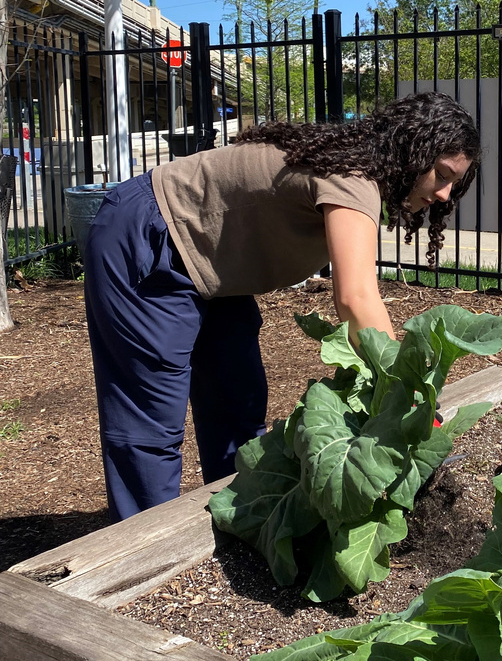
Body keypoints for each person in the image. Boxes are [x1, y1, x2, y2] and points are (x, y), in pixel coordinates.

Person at [83, 91, 480, 523]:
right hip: (150, 235)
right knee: (150, 423)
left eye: (453, 184)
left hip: (213, 269)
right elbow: (356, 298)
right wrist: (409, 399)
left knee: (238, 400)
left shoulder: (354, 171)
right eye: (441, 175)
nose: (444, 194)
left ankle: (240, 519)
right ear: (411, 152)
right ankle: (142, 551)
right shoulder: (352, 176)